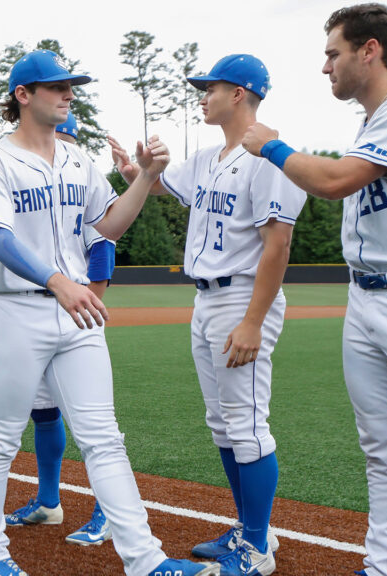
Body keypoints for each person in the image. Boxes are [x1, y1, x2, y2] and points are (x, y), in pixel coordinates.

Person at [0, 50, 214, 576]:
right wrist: (58, 281)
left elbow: (107, 226)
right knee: (2, 439)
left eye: (70, 86)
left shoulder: (78, 160)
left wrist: (144, 178)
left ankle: (145, 560)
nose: (69, 93)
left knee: (104, 438)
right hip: (16, 314)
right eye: (57, 86)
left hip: (74, 316)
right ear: (23, 95)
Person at [113, 54, 304, 576]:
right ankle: (247, 530)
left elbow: (278, 245)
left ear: (239, 93)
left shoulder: (270, 156)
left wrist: (253, 321)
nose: (202, 95)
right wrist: (137, 174)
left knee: (247, 427)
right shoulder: (209, 156)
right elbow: (159, 186)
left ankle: (258, 548)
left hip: (242, 298)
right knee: (222, 425)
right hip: (206, 299)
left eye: (210, 87)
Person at [240, 5, 387, 575]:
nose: (325, 67)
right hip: (366, 296)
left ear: (370, 50)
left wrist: (273, 146)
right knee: (383, 450)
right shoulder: (373, 120)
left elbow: (335, 183)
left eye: (333, 53)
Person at [4, 113, 116, 545]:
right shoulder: (20, 177)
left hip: (74, 315)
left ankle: (107, 510)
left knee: (91, 420)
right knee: (43, 412)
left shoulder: (81, 182)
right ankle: (49, 502)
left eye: (65, 136)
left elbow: (102, 252)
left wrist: (91, 307)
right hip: (29, 315)